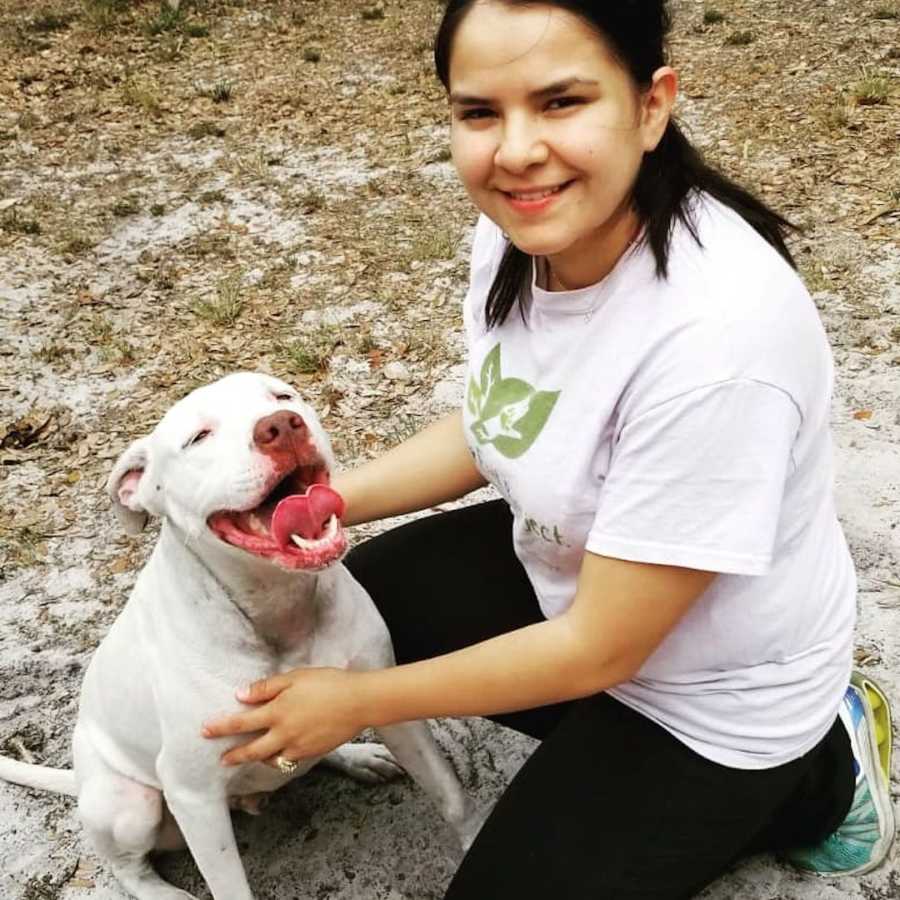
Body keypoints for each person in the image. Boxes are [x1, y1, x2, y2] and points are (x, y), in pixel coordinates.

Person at [202, 1, 895, 895]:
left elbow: (600, 650)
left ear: (651, 106)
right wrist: (323, 503)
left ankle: (819, 774)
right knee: (356, 594)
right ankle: (615, 771)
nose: (516, 150)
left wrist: (356, 705)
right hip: (585, 585)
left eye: (562, 102)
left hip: (711, 699)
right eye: (479, 112)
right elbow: (501, 420)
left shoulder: (721, 341)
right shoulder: (524, 228)